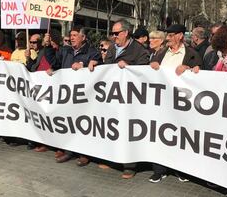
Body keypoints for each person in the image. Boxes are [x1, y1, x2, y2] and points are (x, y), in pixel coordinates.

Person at [149, 24, 202, 183]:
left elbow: (201, 74)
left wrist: (188, 67)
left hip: (182, 104)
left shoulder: (192, 54)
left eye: (171, 35)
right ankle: (159, 170)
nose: (168, 38)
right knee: (159, 134)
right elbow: (150, 73)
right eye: (167, 35)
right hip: (161, 103)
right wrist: (153, 65)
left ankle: (181, 169)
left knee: (180, 136)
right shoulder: (161, 53)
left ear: (180, 36)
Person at [104, 19, 150, 179]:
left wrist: (129, 68)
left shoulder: (139, 49)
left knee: (128, 129)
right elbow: (106, 67)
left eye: (116, 33)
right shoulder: (111, 48)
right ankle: (112, 159)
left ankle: (129, 165)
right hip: (113, 95)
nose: (113, 36)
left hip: (130, 98)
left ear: (126, 32)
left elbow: (144, 71)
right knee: (113, 127)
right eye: (112, 33)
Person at [51, 25, 102, 166]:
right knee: (68, 123)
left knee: (83, 124)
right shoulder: (65, 51)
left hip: (84, 96)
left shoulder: (92, 52)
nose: (72, 38)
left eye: (75, 35)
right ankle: (68, 151)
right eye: (71, 35)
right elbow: (54, 63)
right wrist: (48, 49)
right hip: (67, 95)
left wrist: (86, 64)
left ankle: (84, 154)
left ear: (83, 37)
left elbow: (101, 69)